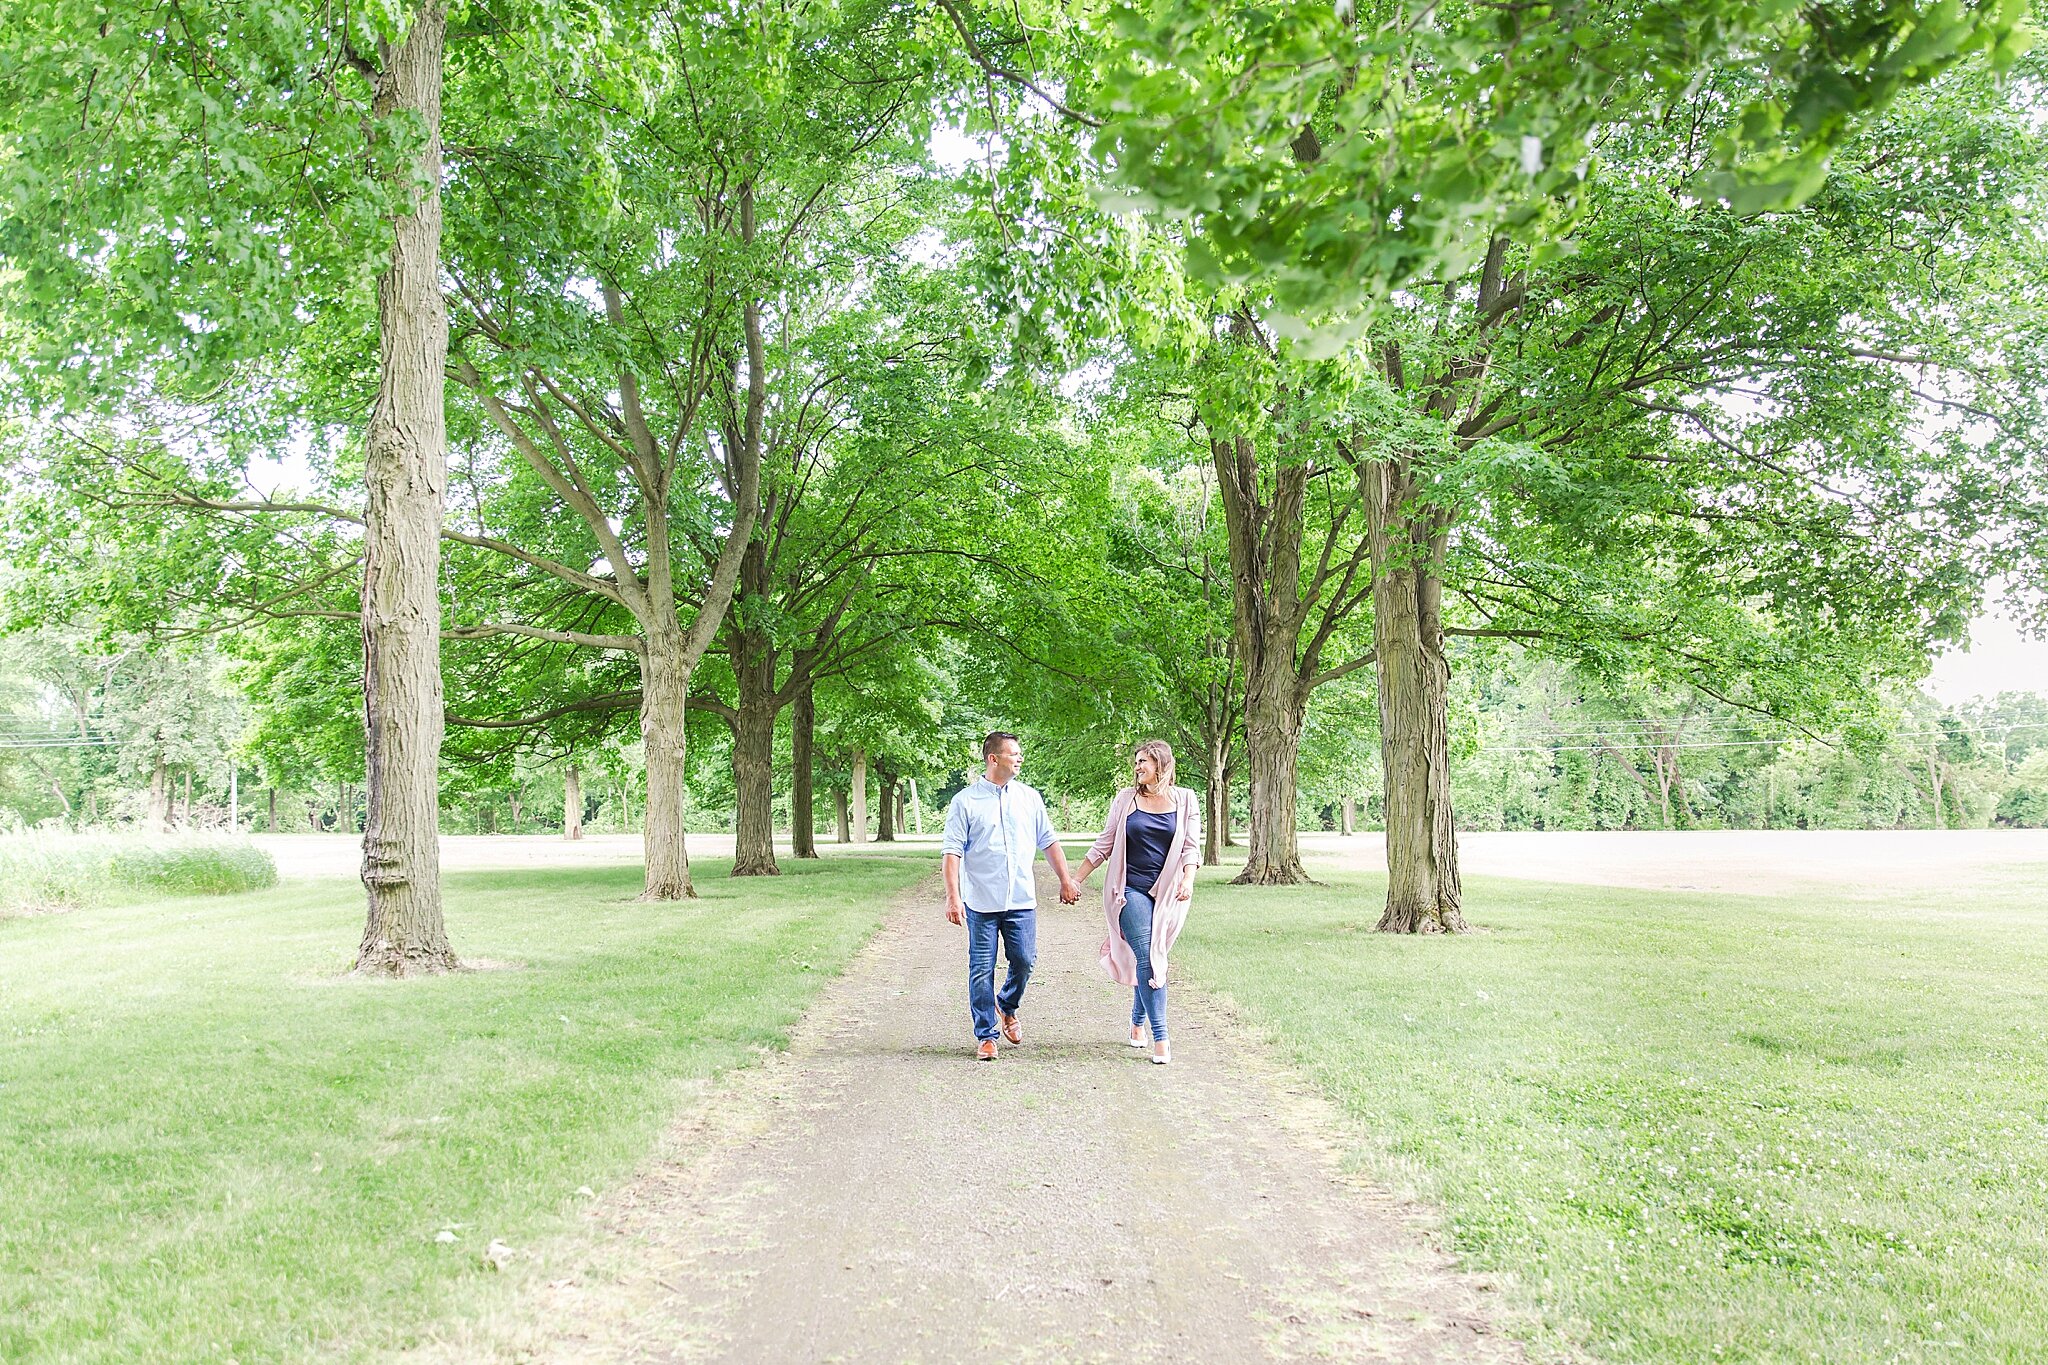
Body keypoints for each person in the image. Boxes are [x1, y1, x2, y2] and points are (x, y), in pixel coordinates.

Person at [941, 732, 1081, 1061]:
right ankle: (986, 1036)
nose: (1019, 758)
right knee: (981, 969)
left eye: (1019, 753)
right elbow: (951, 852)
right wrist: (953, 897)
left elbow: (1048, 841)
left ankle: (1006, 1005)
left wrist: (1065, 879)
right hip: (981, 900)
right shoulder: (965, 801)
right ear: (993, 759)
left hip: (1020, 899)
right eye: (1013, 754)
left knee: (1024, 960)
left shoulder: (1030, 798)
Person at [1072, 739, 1201, 1065]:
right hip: (1128, 891)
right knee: (1149, 957)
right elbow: (1104, 844)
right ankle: (1162, 1038)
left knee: (1152, 958)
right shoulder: (1126, 800)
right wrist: (1075, 880)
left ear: (1162, 764)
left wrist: (1187, 879)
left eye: (1144, 761)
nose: (1138, 766)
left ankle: (1136, 1022)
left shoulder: (1186, 800)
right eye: (1136, 761)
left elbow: (1190, 847)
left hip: (1170, 894)